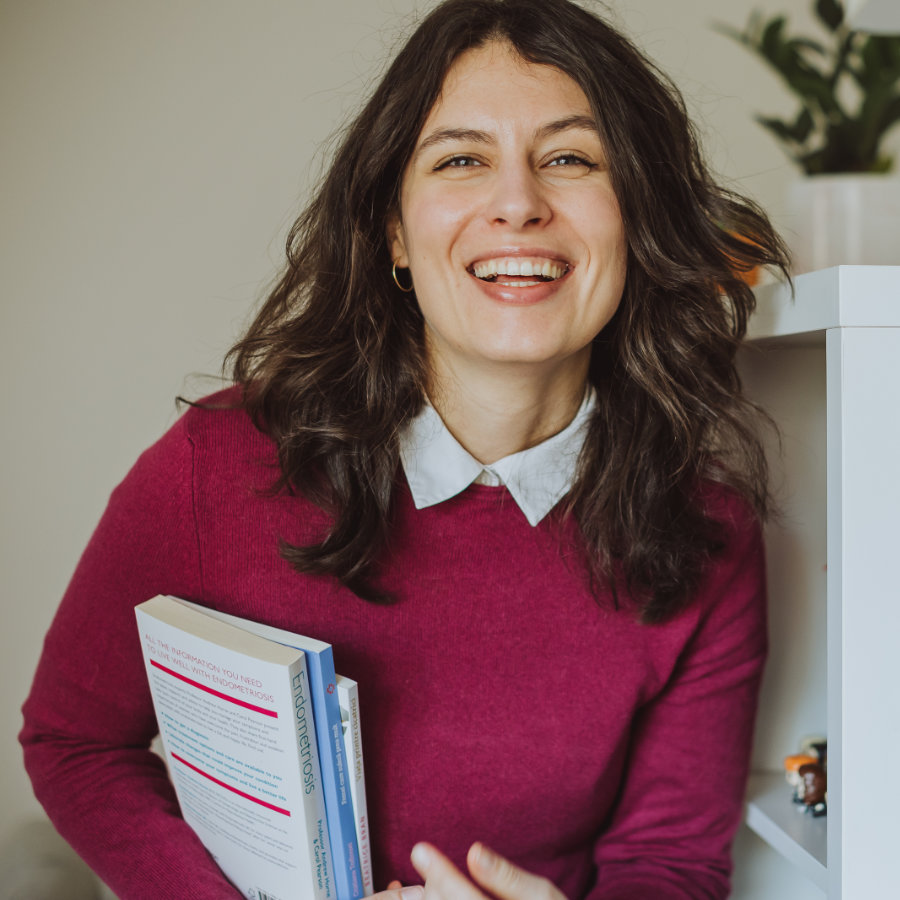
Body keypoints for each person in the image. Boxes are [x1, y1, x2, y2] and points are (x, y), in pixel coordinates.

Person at [20, 1, 789, 898]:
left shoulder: (710, 531)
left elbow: (670, 863)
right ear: (393, 229)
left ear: (638, 218)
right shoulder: (213, 466)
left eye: (570, 159)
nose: (518, 205)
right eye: (463, 160)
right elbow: (75, 743)